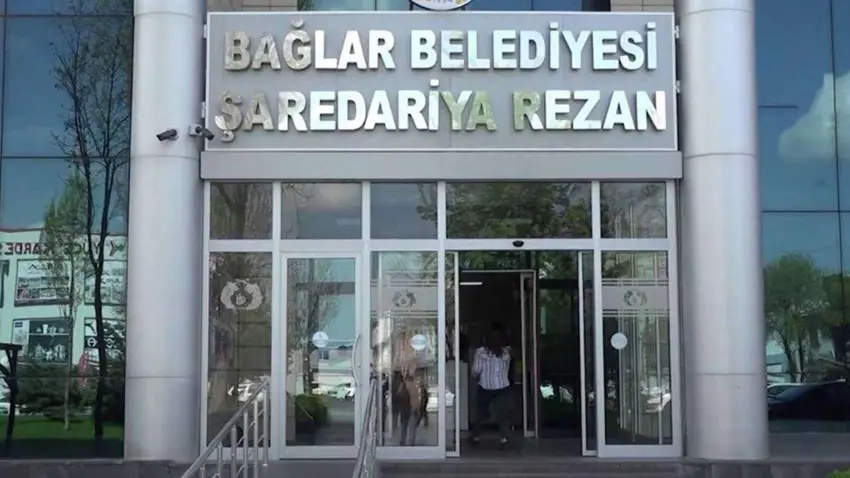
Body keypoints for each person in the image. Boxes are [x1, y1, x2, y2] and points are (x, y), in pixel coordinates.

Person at [470, 323, 512, 449]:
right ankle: (504, 439)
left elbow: (476, 370)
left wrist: (474, 377)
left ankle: (476, 437)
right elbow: (507, 370)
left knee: (480, 412)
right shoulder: (506, 353)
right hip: (502, 386)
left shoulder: (480, 353)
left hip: (485, 386)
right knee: (502, 414)